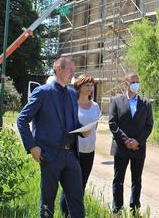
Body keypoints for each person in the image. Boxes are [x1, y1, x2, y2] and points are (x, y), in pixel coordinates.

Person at [17, 56, 87, 218]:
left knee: (77, 201)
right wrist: (32, 147)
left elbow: (72, 123)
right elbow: (22, 119)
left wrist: (83, 130)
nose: (73, 74)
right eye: (70, 70)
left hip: (71, 155)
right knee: (48, 202)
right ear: (58, 69)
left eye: (74, 71)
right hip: (50, 156)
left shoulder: (71, 94)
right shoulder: (42, 93)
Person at [108, 73, 154, 215]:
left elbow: (149, 125)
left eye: (137, 81)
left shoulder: (146, 104)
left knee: (136, 180)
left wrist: (137, 141)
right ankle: (117, 208)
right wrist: (126, 140)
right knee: (118, 179)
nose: (136, 84)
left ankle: (135, 208)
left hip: (138, 148)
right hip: (121, 147)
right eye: (133, 81)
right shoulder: (116, 101)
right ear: (125, 84)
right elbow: (112, 123)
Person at [60, 74, 102, 214]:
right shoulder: (72, 104)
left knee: (81, 186)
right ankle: (64, 213)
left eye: (92, 85)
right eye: (87, 85)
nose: (91, 88)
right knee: (69, 186)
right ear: (79, 86)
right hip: (72, 150)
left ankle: (76, 213)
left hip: (89, 151)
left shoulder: (95, 106)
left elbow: (94, 127)